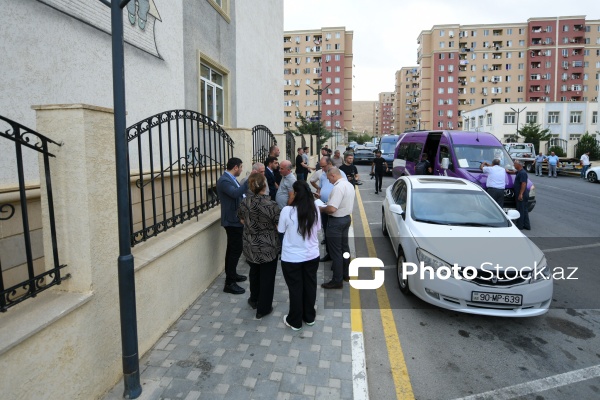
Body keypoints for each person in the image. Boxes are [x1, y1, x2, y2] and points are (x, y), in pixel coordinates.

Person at [278, 181, 322, 331]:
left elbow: (281, 230)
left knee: (295, 288)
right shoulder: (315, 207)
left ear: (295, 194)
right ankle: (309, 317)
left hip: (291, 258)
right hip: (311, 254)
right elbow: (318, 228)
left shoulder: (287, 211)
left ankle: (295, 320)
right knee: (310, 285)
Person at [237, 173, 280, 319]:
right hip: (267, 246)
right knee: (267, 277)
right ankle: (263, 308)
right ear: (264, 185)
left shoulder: (245, 203)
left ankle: (254, 299)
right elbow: (278, 225)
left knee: (254, 272)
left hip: (250, 245)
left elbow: (241, 219)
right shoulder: (271, 205)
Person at [216, 157, 249, 295]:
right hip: (232, 221)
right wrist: (249, 181)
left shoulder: (230, 179)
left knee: (232, 249)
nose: (241, 169)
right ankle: (229, 283)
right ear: (235, 167)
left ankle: (232, 274)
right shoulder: (224, 180)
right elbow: (235, 193)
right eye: (241, 167)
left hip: (235, 219)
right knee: (235, 250)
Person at [319, 167, 355, 289]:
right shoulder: (348, 184)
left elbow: (332, 209)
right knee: (344, 248)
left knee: (336, 252)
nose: (329, 181)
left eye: (329, 178)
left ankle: (337, 280)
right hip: (346, 219)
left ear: (333, 175)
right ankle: (346, 274)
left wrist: (322, 208)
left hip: (336, 221)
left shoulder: (338, 187)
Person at [315, 157, 347, 262]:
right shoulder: (322, 175)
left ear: (329, 163)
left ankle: (336, 258)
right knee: (326, 232)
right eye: (321, 167)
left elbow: (344, 189)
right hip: (324, 205)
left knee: (336, 237)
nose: (322, 169)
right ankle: (329, 253)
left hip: (334, 208)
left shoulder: (340, 173)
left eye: (324, 166)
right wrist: (319, 194)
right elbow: (321, 187)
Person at [513, 160, 531, 230]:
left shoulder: (522, 173)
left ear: (519, 165)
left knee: (520, 209)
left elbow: (523, 184)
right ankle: (527, 225)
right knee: (524, 210)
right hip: (522, 194)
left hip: (522, 194)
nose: (514, 165)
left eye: (515, 164)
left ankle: (520, 226)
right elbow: (514, 172)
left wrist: (520, 194)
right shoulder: (519, 172)